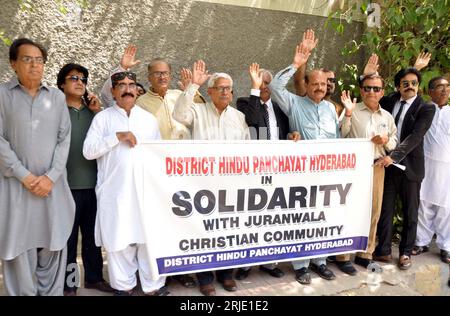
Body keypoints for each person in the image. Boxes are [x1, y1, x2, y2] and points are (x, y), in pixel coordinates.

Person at [100, 45, 197, 288]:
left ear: (170, 74)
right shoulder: (139, 102)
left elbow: (199, 123)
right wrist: (121, 68)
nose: (162, 77)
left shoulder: (182, 95)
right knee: (155, 227)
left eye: (165, 73)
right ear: (149, 77)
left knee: (182, 224)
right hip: (154, 175)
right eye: (156, 73)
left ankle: (180, 271)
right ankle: (144, 279)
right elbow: (108, 98)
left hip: (184, 171)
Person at [0, 38, 75, 295]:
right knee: (18, 248)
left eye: (40, 60)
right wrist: (25, 176)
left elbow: (64, 138)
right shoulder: (2, 95)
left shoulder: (55, 97)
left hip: (51, 188)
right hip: (16, 187)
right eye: (27, 59)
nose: (35, 65)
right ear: (13, 63)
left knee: (53, 245)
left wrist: (51, 177)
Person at [83, 71, 167, 296]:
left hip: (145, 192)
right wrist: (116, 137)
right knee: (119, 241)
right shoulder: (102, 119)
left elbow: (158, 155)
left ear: (138, 90)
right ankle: (123, 286)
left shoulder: (148, 119)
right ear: (113, 91)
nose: (127, 89)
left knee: (148, 240)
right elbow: (88, 151)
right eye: (121, 85)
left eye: (131, 85)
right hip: (115, 192)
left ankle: (153, 286)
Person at [173, 60, 249, 295]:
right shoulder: (197, 110)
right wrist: (193, 85)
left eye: (229, 88)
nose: (226, 92)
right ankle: (205, 278)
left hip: (230, 184)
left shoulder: (238, 116)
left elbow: (246, 147)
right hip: (203, 183)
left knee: (227, 230)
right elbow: (179, 113)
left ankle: (226, 275)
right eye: (221, 88)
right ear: (211, 91)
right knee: (204, 231)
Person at [269, 35, 338, 285]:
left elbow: (338, 139)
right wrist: (296, 64)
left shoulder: (331, 109)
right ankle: (301, 265)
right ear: (307, 85)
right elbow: (276, 87)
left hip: (328, 174)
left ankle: (320, 261)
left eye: (323, 84)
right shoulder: (294, 103)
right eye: (315, 83)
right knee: (303, 219)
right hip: (303, 174)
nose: (320, 87)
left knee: (323, 218)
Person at [366, 54, 436, 270]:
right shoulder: (389, 101)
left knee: (410, 212)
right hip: (387, 169)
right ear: (398, 87)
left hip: (410, 168)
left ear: (419, 86)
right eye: (405, 84)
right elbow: (371, 93)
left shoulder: (426, 108)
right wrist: (368, 72)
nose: (410, 86)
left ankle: (406, 252)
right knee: (385, 209)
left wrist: (393, 156)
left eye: (414, 83)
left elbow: (416, 136)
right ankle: (383, 250)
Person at [56, 63, 113, 296]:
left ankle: (94, 278)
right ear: (61, 84)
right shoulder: (55, 111)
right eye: (73, 78)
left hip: (94, 185)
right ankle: (69, 283)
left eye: (83, 79)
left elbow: (108, 140)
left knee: (92, 237)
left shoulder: (95, 113)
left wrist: (97, 111)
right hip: (65, 187)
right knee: (68, 241)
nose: (80, 82)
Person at [337, 73, 398, 274]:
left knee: (373, 212)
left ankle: (365, 254)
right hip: (353, 169)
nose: (371, 91)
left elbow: (394, 141)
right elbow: (341, 135)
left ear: (382, 92)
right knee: (349, 210)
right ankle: (343, 256)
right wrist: (347, 114)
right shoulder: (352, 110)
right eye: (367, 88)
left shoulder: (387, 117)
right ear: (361, 90)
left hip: (376, 167)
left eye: (376, 88)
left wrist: (386, 141)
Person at [233, 63, 287, 280]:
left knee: (274, 219)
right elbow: (253, 121)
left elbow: (286, 132)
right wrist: (254, 89)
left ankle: (269, 262)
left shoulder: (281, 108)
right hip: (254, 171)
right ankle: (246, 264)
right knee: (253, 218)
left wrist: (292, 134)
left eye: (266, 83)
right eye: (260, 83)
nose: (264, 86)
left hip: (279, 170)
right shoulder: (245, 102)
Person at [412, 76, 450, 264]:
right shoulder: (423, 109)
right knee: (423, 204)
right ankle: (421, 242)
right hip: (425, 164)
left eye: (447, 87)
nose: (444, 90)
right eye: (439, 87)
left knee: (446, 208)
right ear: (430, 92)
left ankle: (446, 247)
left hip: (447, 168)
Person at [293, 29, 343, 116]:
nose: (329, 83)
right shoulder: (305, 98)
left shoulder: (338, 108)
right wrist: (305, 52)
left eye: (332, 80)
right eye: (325, 80)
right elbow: (299, 81)